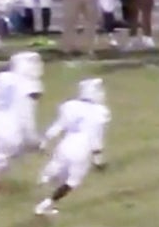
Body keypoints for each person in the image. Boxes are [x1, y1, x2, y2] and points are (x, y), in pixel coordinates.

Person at [35, 78, 110, 216]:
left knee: (57, 166)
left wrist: (45, 140)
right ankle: (45, 205)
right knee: (72, 182)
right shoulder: (100, 111)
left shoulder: (70, 105)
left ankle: (45, 177)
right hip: (82, 150)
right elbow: (96, 138)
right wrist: (98, 159)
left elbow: (58, 126)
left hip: (65, 145)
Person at [0, 52, 44, 195]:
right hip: (9, 127)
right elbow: (26, 117)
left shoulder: (3, 77)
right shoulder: (30, 86)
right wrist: (34, 139)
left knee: (10, 152)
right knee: (19, 149)